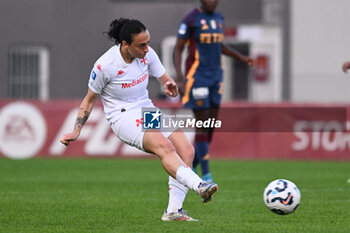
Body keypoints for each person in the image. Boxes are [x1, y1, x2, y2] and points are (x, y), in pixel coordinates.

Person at [60, 18, 218, 221]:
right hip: (123, 117)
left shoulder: (147, 54)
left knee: (187, 150)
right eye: (141, 45)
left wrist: (169, 84)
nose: (146, 49)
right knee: (165, 148)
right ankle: (199, 185)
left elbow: (164, 77)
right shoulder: (104, 66)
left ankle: (173, 211)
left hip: (147, 109)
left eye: (148, 43)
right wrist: (76, 130)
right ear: (125, 45)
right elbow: (89, 99)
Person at [174, 0, 254, 182]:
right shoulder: (191, 19)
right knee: (202, 126)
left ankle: (191, 167)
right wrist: (180, 78)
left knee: (210, 127)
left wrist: (241, 57)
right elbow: (178, 49)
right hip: (197, 78)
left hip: (216, 78)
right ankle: (207, 175)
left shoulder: (219, 18)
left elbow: (220, 46)